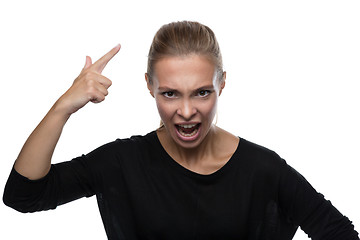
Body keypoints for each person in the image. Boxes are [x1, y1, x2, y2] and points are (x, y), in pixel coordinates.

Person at [3, 21, 359, 240]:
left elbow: (339, 233)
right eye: (170, 93)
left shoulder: (264, 170)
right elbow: (24, 196)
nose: (186, 112)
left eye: (201, 92)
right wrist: (64, 106)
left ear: (222, 85)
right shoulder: (121, 163)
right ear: (149, 86)